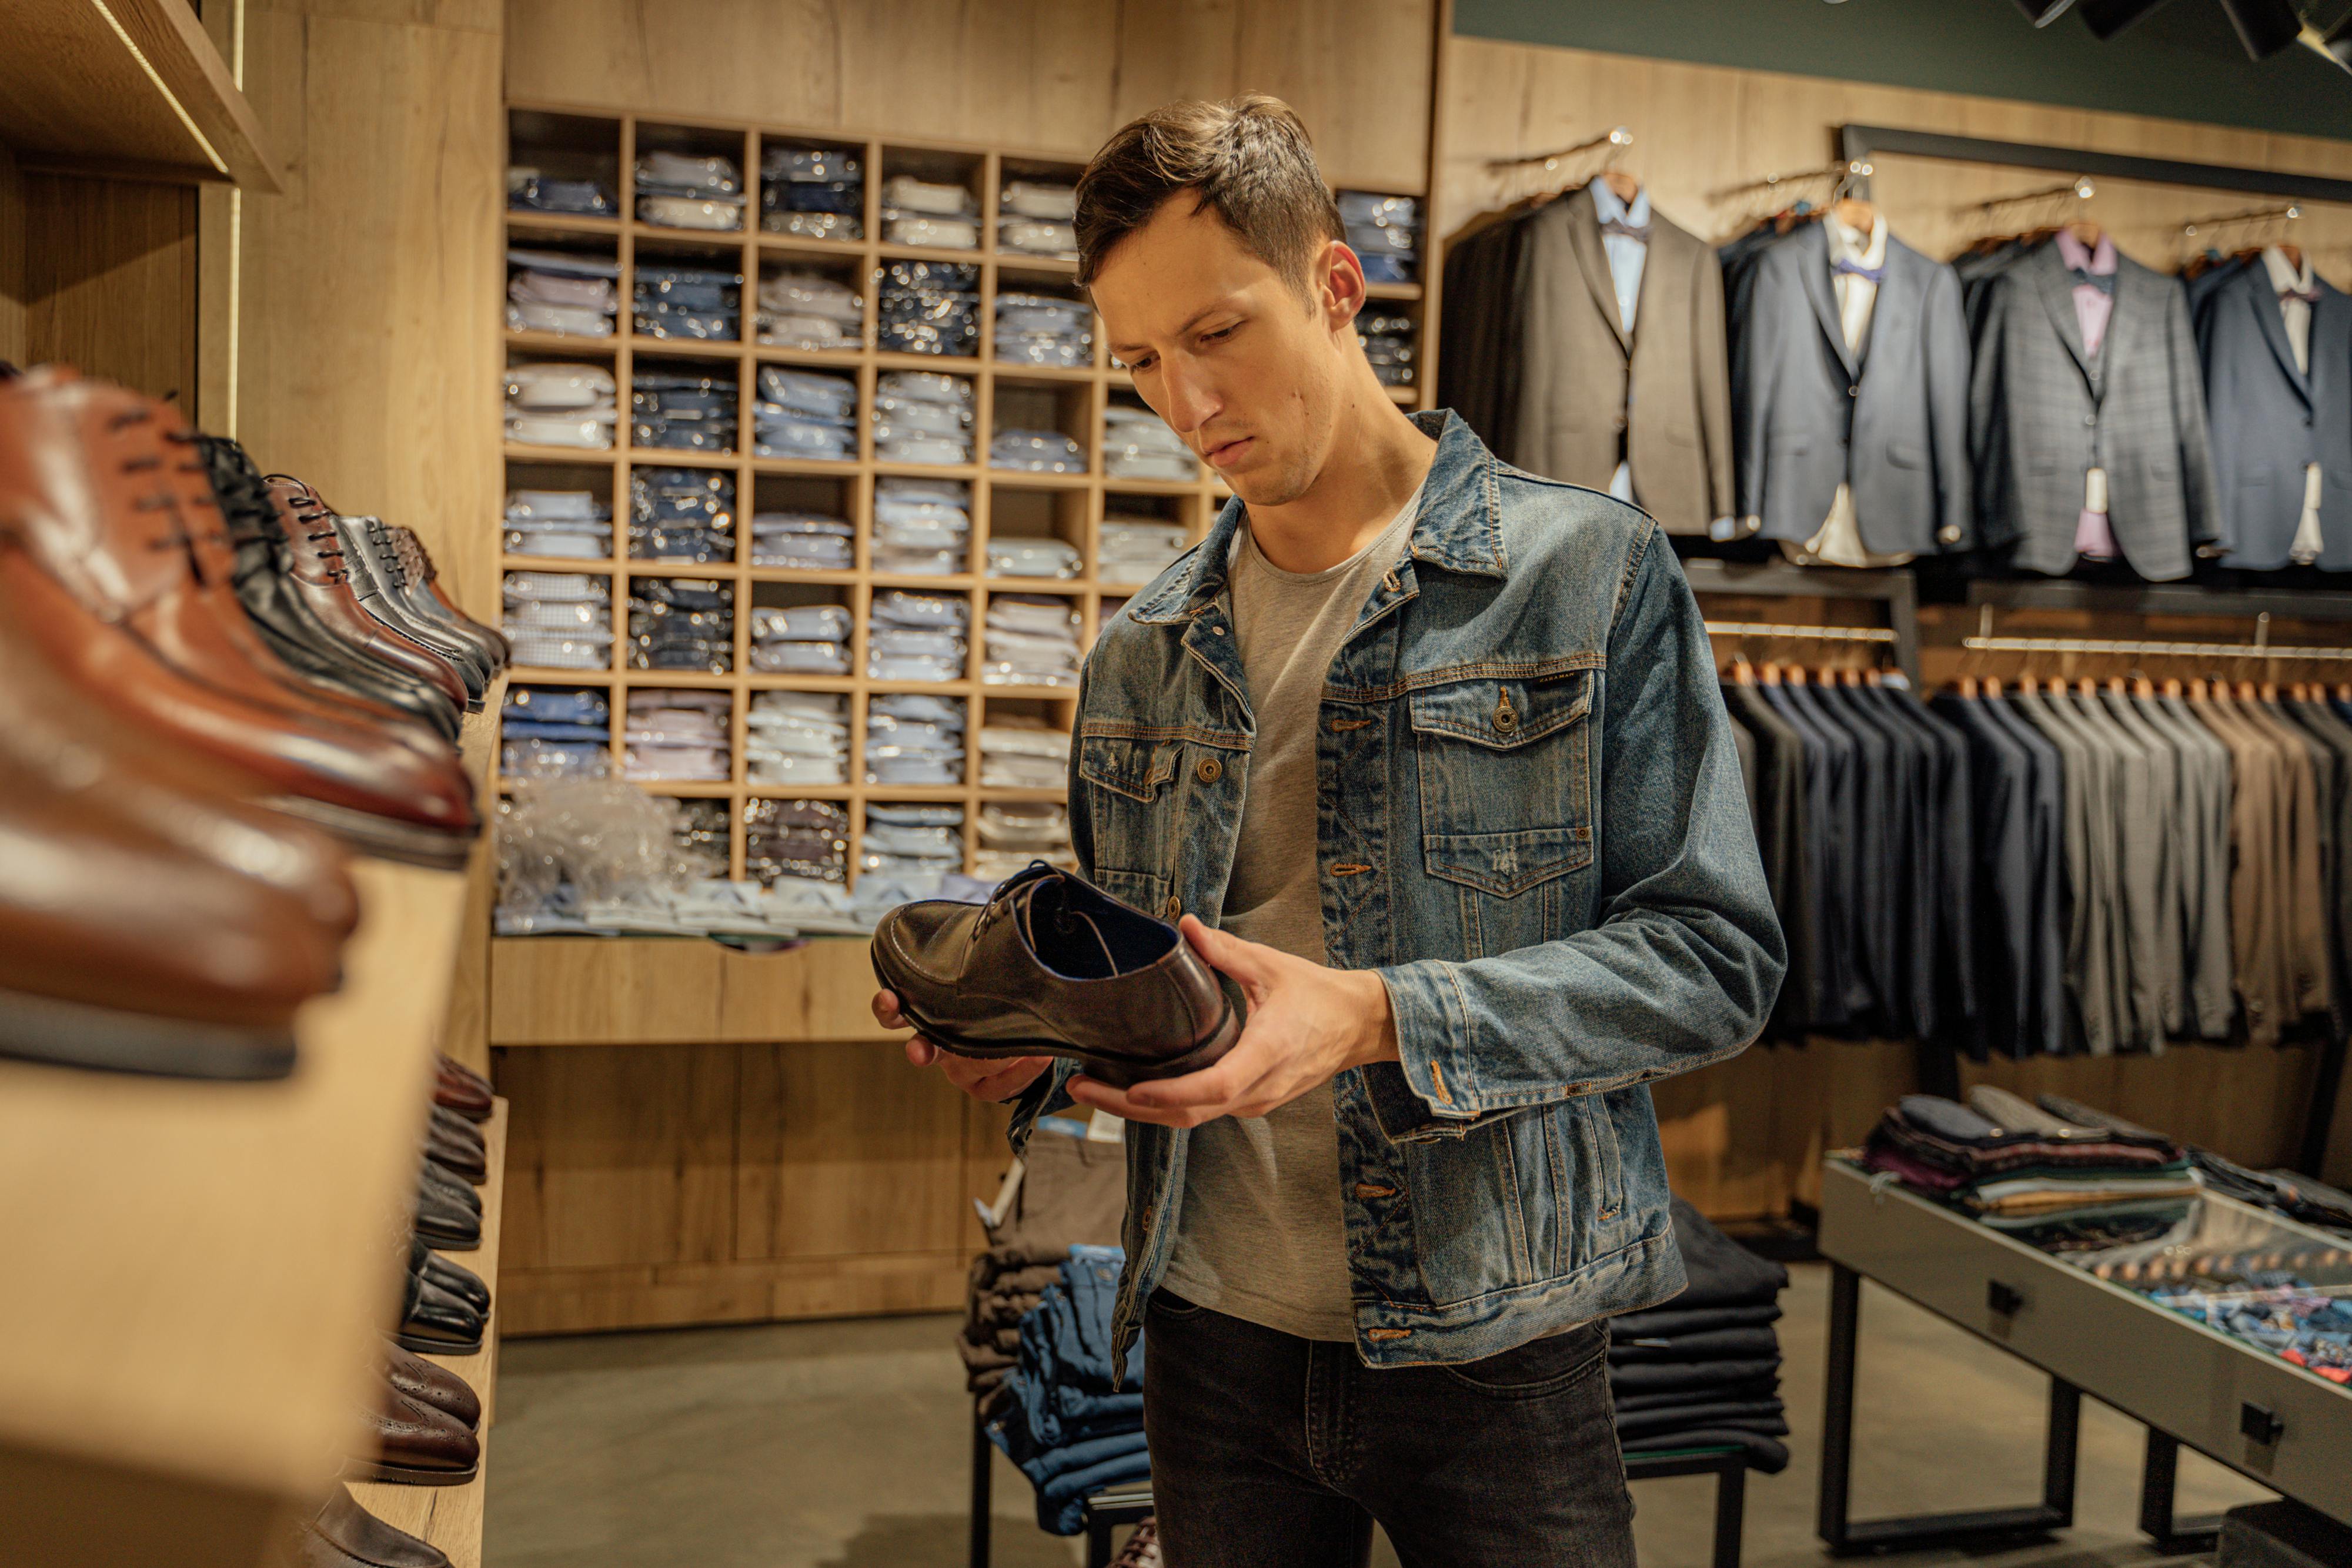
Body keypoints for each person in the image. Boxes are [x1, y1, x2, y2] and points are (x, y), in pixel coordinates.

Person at [875, 94, 1784, 1566]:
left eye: (1216, 332)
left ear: (1334, 285)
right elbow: (1146, 989)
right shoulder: (1141, 653)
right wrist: (1039, 1038)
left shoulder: (1583, 578)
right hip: (1208, 1334)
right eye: (1141, 362)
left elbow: (1711, 959)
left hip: (1498, 1337)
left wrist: (1371, 1017)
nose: (1184, 402)